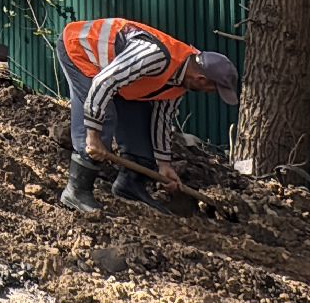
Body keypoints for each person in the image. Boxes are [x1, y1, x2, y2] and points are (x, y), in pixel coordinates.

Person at [57, 17, 239, 215]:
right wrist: (92, 136)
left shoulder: (181, 82)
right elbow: (103, 83)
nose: (210, 94)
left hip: (118, 74)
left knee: (142, 129)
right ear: (201, 79)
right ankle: (76, 190)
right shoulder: (156, 56)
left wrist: (164, 165)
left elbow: (162, 119)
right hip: (82, 49)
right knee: (104, 118)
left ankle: (130, 186)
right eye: (212, 89)